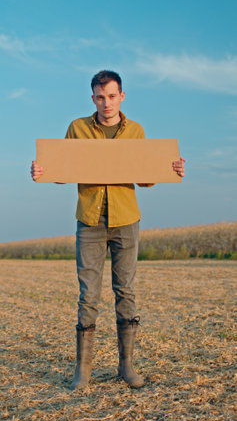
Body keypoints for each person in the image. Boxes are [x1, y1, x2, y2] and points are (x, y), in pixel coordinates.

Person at [31, 70, 185, 390]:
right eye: (100, 97)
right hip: (89, 220)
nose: (106, 103)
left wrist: (170, 169)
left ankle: (126, 366)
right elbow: (63, 170)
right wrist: (43, 171)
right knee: (88, 295)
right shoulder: (78, 128)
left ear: (122, 96)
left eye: (112, 96)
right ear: (93, 99)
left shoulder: (136, 131)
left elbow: (146, 178)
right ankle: (83, 370)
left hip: (126, 219)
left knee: (125, 291)